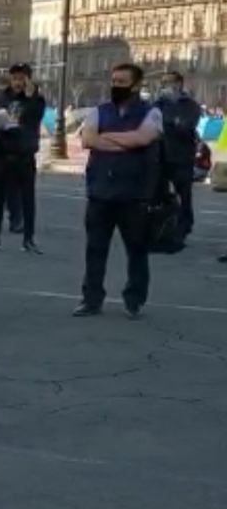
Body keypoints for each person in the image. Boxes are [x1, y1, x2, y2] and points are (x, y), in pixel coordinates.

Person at [74, 63, 163, 319]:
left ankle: (134, 300)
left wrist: (107, 138)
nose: (116, 86)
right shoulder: (99, 111)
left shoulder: (151, 112)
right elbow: (88, 139)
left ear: (136, 85)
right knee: (95, 249)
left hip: (134, 194)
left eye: (122, 82)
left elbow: (143, 138)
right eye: (114, 81)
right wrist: (127, 142)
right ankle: (91, 299)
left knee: (136, 250)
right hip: (100, 192)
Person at [0, 63, 45, 254]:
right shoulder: (3, 96)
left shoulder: (37, 99)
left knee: (28, 199)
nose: (17, 83)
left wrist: (31, 97)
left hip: (24, 156)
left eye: (21, 79)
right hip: (4, 154)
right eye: (14, 78)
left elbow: (34, 117)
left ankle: (28, 240)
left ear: (28, 80)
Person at [156, 71, 202, 238]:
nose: (165, 86)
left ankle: (185, 224)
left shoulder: (190, 105)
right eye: (163, 83)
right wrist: (173, 121)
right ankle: (163, 223)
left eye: (169, 82)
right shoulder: (158, 104)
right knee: (159, 192)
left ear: (179, 84)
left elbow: (186, 126)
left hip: (182, 157)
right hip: (160, 156)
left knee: (184, 193)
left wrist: (170, 120)